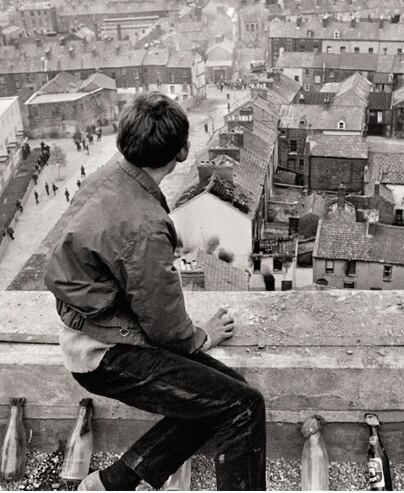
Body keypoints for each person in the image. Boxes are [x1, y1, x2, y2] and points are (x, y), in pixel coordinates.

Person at [44, 92, 266, 491]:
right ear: (182, 152)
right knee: (242, 406)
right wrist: (203, 337)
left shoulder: (104, 178)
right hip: (107, 354)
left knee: (224, 397)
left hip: (90, 332)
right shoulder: (146, 224)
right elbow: (166, 328)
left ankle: (113, 483)